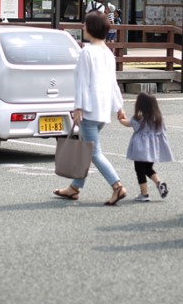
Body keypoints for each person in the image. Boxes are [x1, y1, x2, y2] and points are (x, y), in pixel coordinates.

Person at [53, 11, 127, 205]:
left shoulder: (87, 52)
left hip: (89, 110)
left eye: (85, 24)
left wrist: (78, 107)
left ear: (92, 28)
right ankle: (74, 188)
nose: (83, 27)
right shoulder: (108, 53)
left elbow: (81, 82)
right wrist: (119, 106)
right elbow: (113, 83)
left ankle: (117, 186)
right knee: (88, 149)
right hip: (103, 110)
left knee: (94, 153)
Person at [117, 92, 173, 202]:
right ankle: (159, 183)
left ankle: (144, 193)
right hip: (152, 149)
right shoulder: (158, 118)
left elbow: (128, 123)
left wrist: (121, 119)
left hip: (141, 149)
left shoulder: (139, 118)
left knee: (139, 170)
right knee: (148, 168)